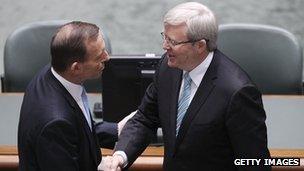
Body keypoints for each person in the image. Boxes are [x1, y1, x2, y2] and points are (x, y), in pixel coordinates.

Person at [106, 2, 271, 171]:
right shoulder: (167, 67)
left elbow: (255, 163)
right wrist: (120, 156)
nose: (164, 46)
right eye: (165, 37)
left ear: (200, 45)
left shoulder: (238, 92)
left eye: (173, 41)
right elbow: (145, 118)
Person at [18, 21, 132, 171]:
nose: (107, 57)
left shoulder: (52, 72)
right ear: (76, 68)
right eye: (99, 56)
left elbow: (76, 128)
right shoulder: (55, 124)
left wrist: (117, 129)